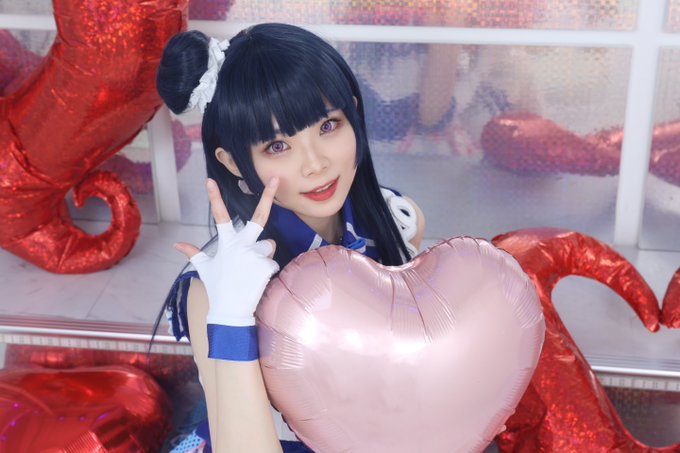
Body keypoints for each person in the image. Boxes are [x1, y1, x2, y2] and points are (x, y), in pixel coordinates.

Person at [156, 23, 425, 452]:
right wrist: (232, 315)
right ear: (233, 162)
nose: (315, 164)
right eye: (277, 146)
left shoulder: (396, 220)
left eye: (328, 125)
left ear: (354, 114)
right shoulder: (214, 289)